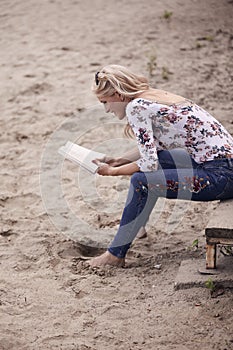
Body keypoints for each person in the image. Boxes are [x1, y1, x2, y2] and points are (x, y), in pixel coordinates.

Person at [88, 64, 233, 267]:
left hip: (222, 176)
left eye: (105, 102)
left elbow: (148, 162)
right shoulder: (152, 97)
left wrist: (113, 172)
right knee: (159, 160)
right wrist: (120, 160)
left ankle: (115, 256)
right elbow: (155, 149)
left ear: (118, 95)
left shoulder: (135, 107)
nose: (106, 110)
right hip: (224, 165)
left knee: (141, 181)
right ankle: (138, 225)